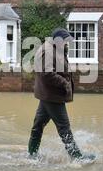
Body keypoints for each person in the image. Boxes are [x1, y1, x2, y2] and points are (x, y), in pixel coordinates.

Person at [28, 28, 96, 162]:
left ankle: (31, 155)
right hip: (53, 96)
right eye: (65, 41)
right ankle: (77, 157)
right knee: (64, 127)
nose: (66, 44)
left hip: (48, 95)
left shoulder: (53, 49)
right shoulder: (47, 52)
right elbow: (47, 74)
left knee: (38, 126)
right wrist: (65, 83)